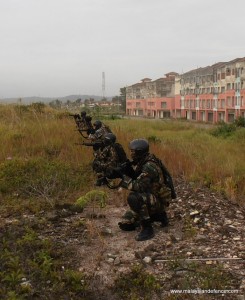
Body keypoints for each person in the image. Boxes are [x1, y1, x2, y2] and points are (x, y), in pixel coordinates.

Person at [107, 138, 176, 241]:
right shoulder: (144, 160)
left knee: (134, 198)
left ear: (139, 152)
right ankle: (160, 216)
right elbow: (137, 176)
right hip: (154, 196)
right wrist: (118, 172)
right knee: (126, 222)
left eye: (133, 151)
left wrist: (123, 178)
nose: (131, 153)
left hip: (159, 200)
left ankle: (147, 228)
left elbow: (139, 186)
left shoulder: (149, 166)